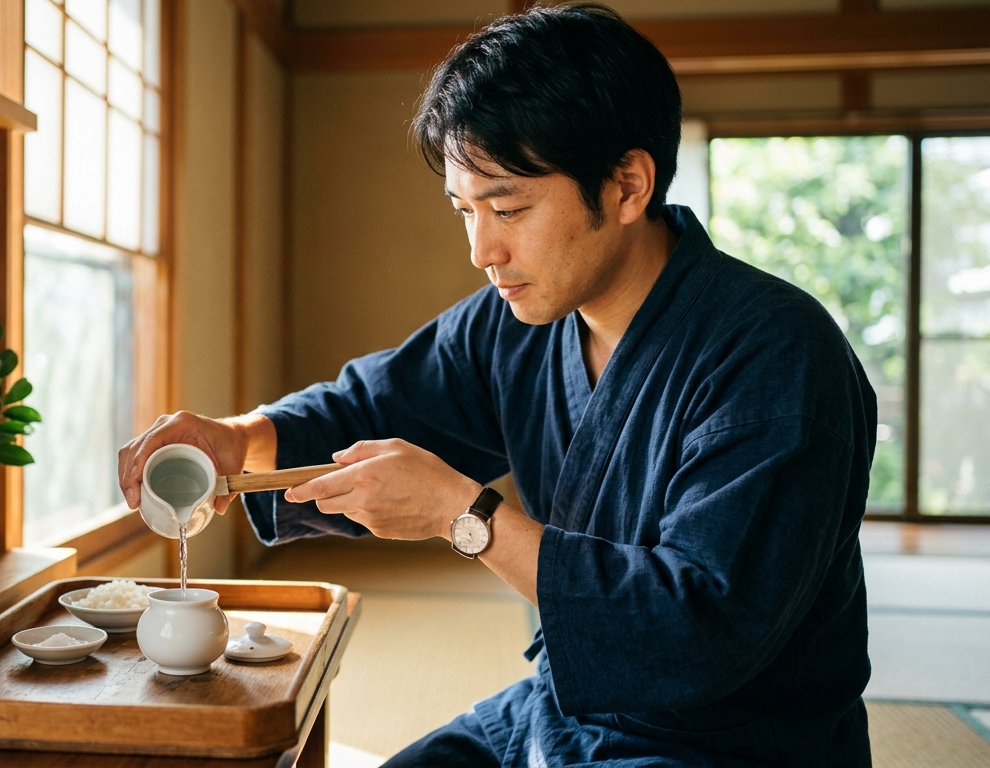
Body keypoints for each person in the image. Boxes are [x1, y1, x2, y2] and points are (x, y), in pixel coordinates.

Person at [118, 4, 874, 765]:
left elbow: (703, 630)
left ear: (627, 186)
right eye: (464, 210)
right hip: (564, 709)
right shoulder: (513, 324)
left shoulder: (777, 355)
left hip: (731, 744)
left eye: (508, 207)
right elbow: (373, 405)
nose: (483, 249)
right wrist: (238, 438)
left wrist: (463, 516)